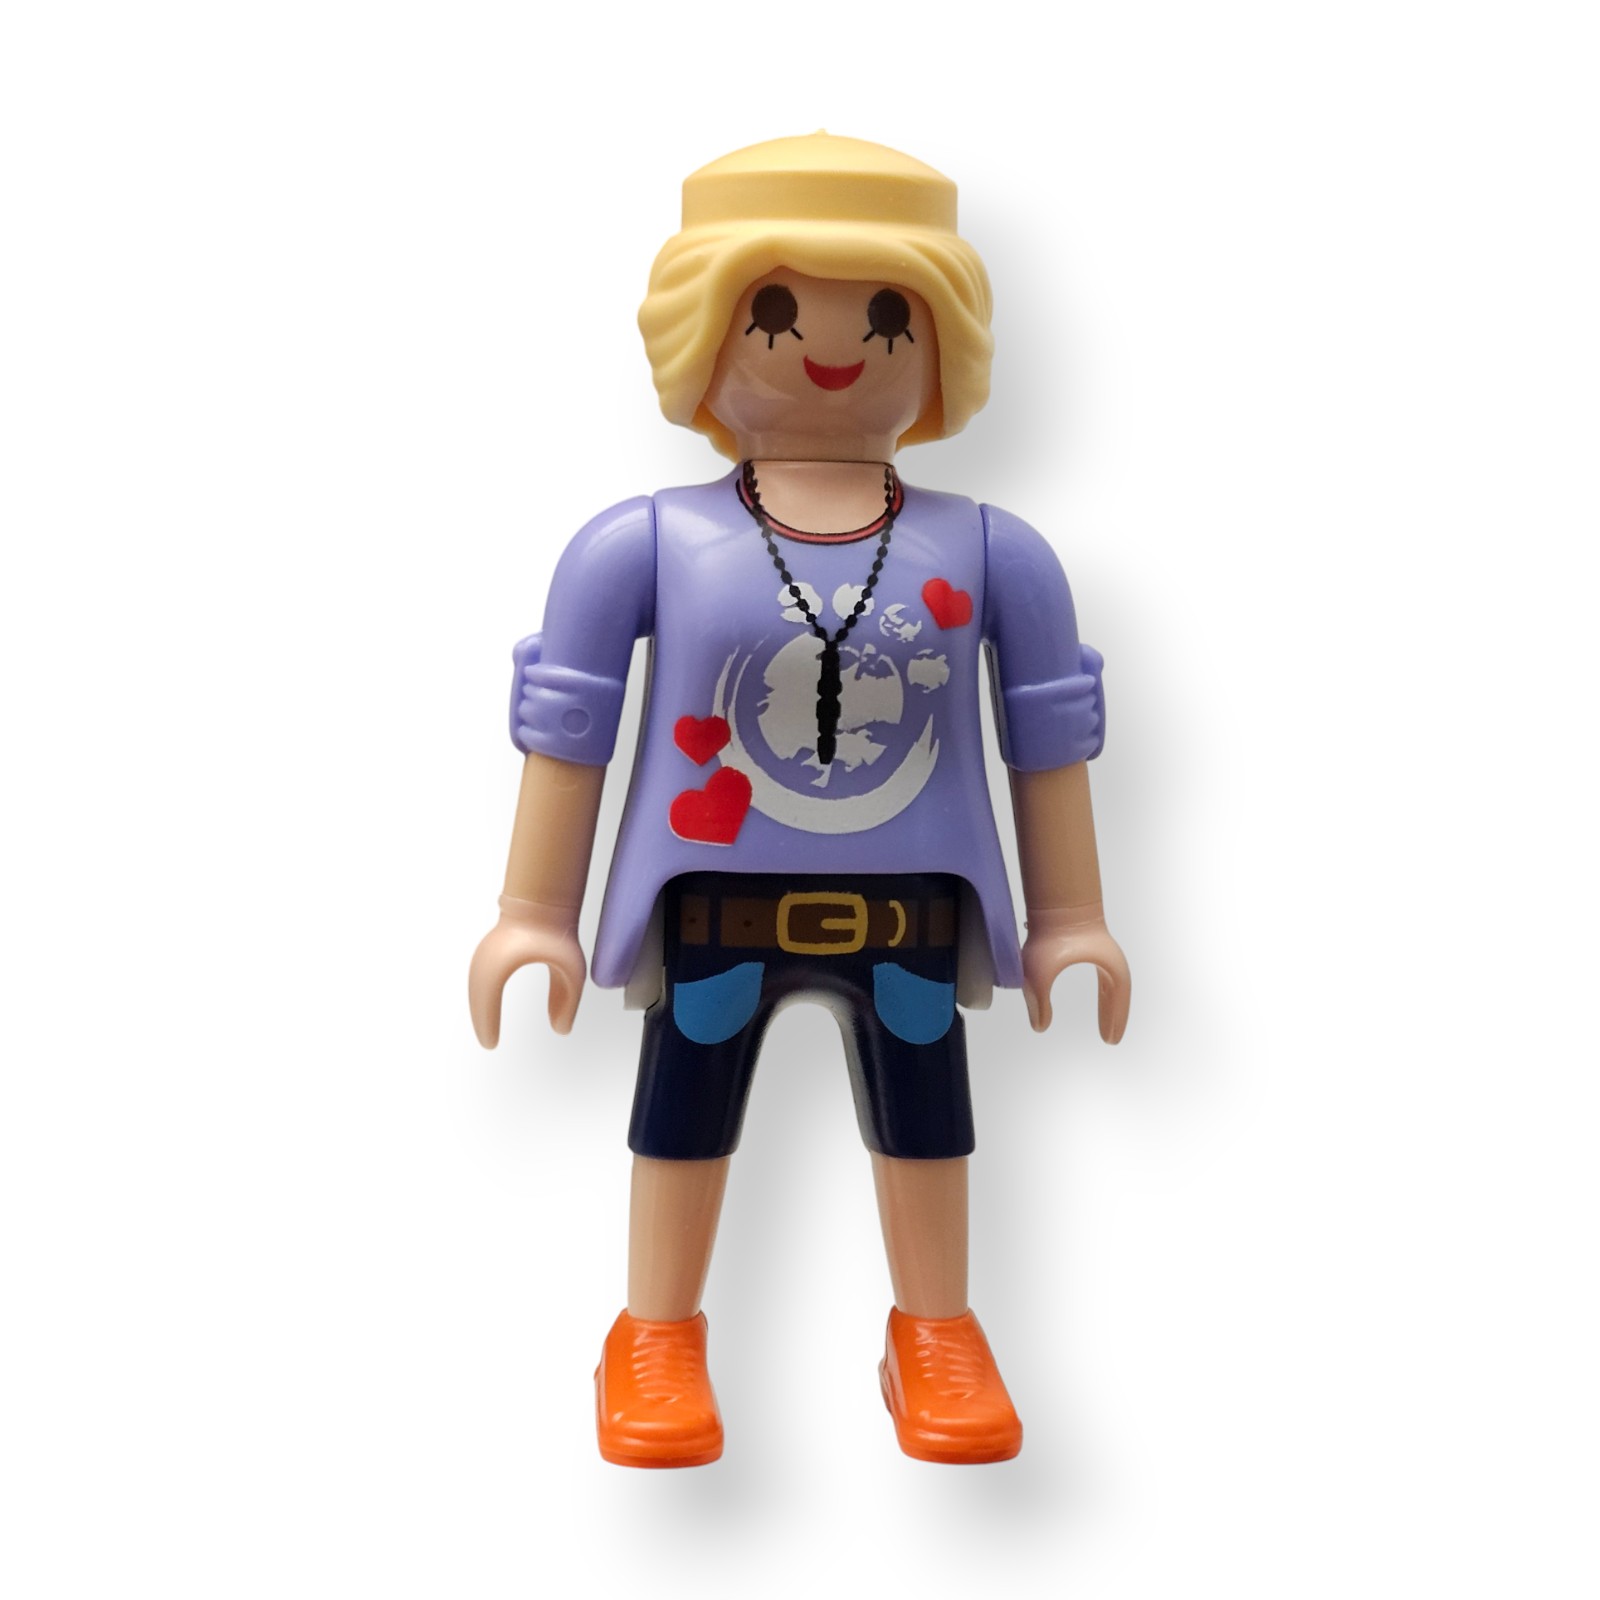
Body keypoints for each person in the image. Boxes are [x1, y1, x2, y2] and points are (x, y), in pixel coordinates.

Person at [469, 132, 1130, 1467]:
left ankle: (935, 1330)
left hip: (913, 905)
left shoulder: (994, 551)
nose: (833, 349)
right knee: (683, 1111)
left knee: (928, 1119)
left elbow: (1047, 738)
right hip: (712, 899)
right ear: (703, 332)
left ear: (942, 345)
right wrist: (531, 913)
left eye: (887, 317)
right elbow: (571, 727)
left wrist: (1072, 920)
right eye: (774, 311)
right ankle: (655, 1334)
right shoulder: (642, 544)